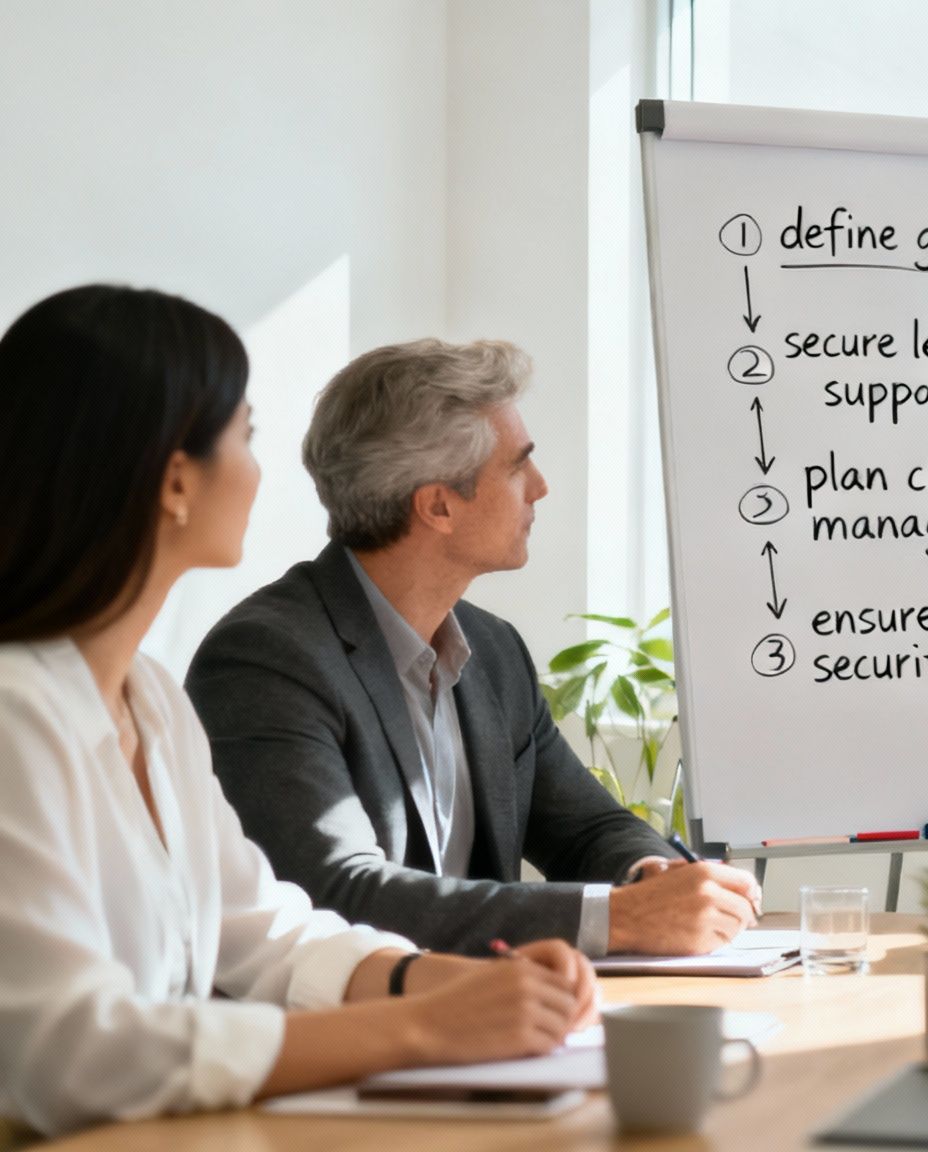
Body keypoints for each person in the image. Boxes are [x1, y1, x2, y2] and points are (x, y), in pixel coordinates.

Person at [0, 286, 597, 1137]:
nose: (260, 471)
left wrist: (434, 980)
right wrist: (421, 1028)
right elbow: (71, 1052)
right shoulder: (15, 718)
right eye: (244, 436)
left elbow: (262, 928)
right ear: (176, 481)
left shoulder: (152, 701)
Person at [185, 338, 760, 957]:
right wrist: (616, 918)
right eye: (518, 466)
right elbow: (335, 892)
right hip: (350, 1013)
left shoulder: (493, 649)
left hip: (493, 1007)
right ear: (438, 505)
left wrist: (654, 876)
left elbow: (586, 827)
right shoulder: (265, 660)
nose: (540, 487)